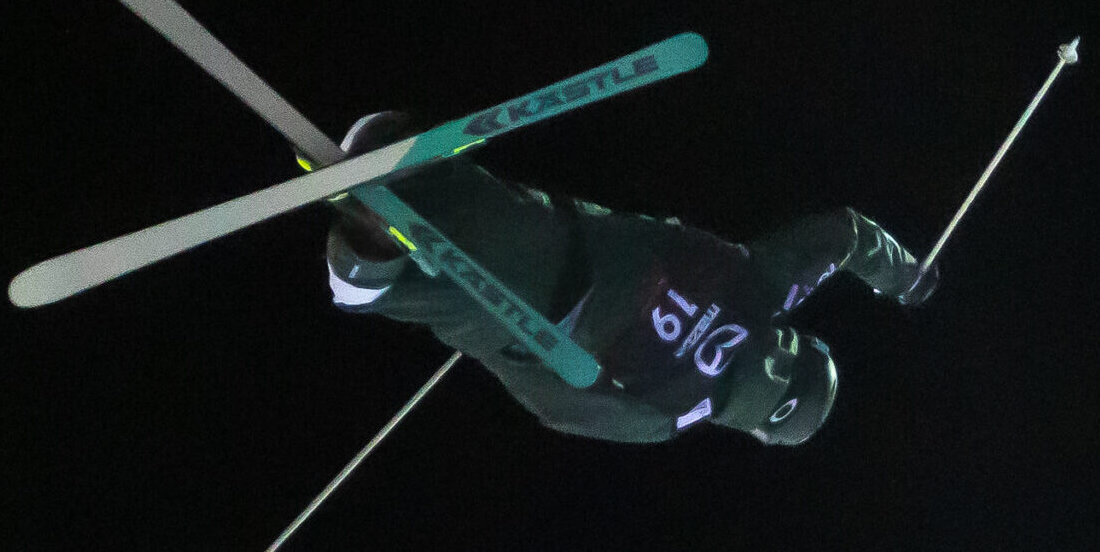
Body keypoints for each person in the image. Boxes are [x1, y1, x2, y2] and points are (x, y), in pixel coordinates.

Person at [322, 112, 928, 445]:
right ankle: (370, 252)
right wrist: (513, 352)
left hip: (562, 243)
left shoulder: (766, 288)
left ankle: (395, 177)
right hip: (526, 320)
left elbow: (844, 235)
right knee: (382, 295)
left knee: (478, 214)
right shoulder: (668, 418)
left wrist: (906, 277)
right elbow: (559, 406)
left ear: (798, 349)